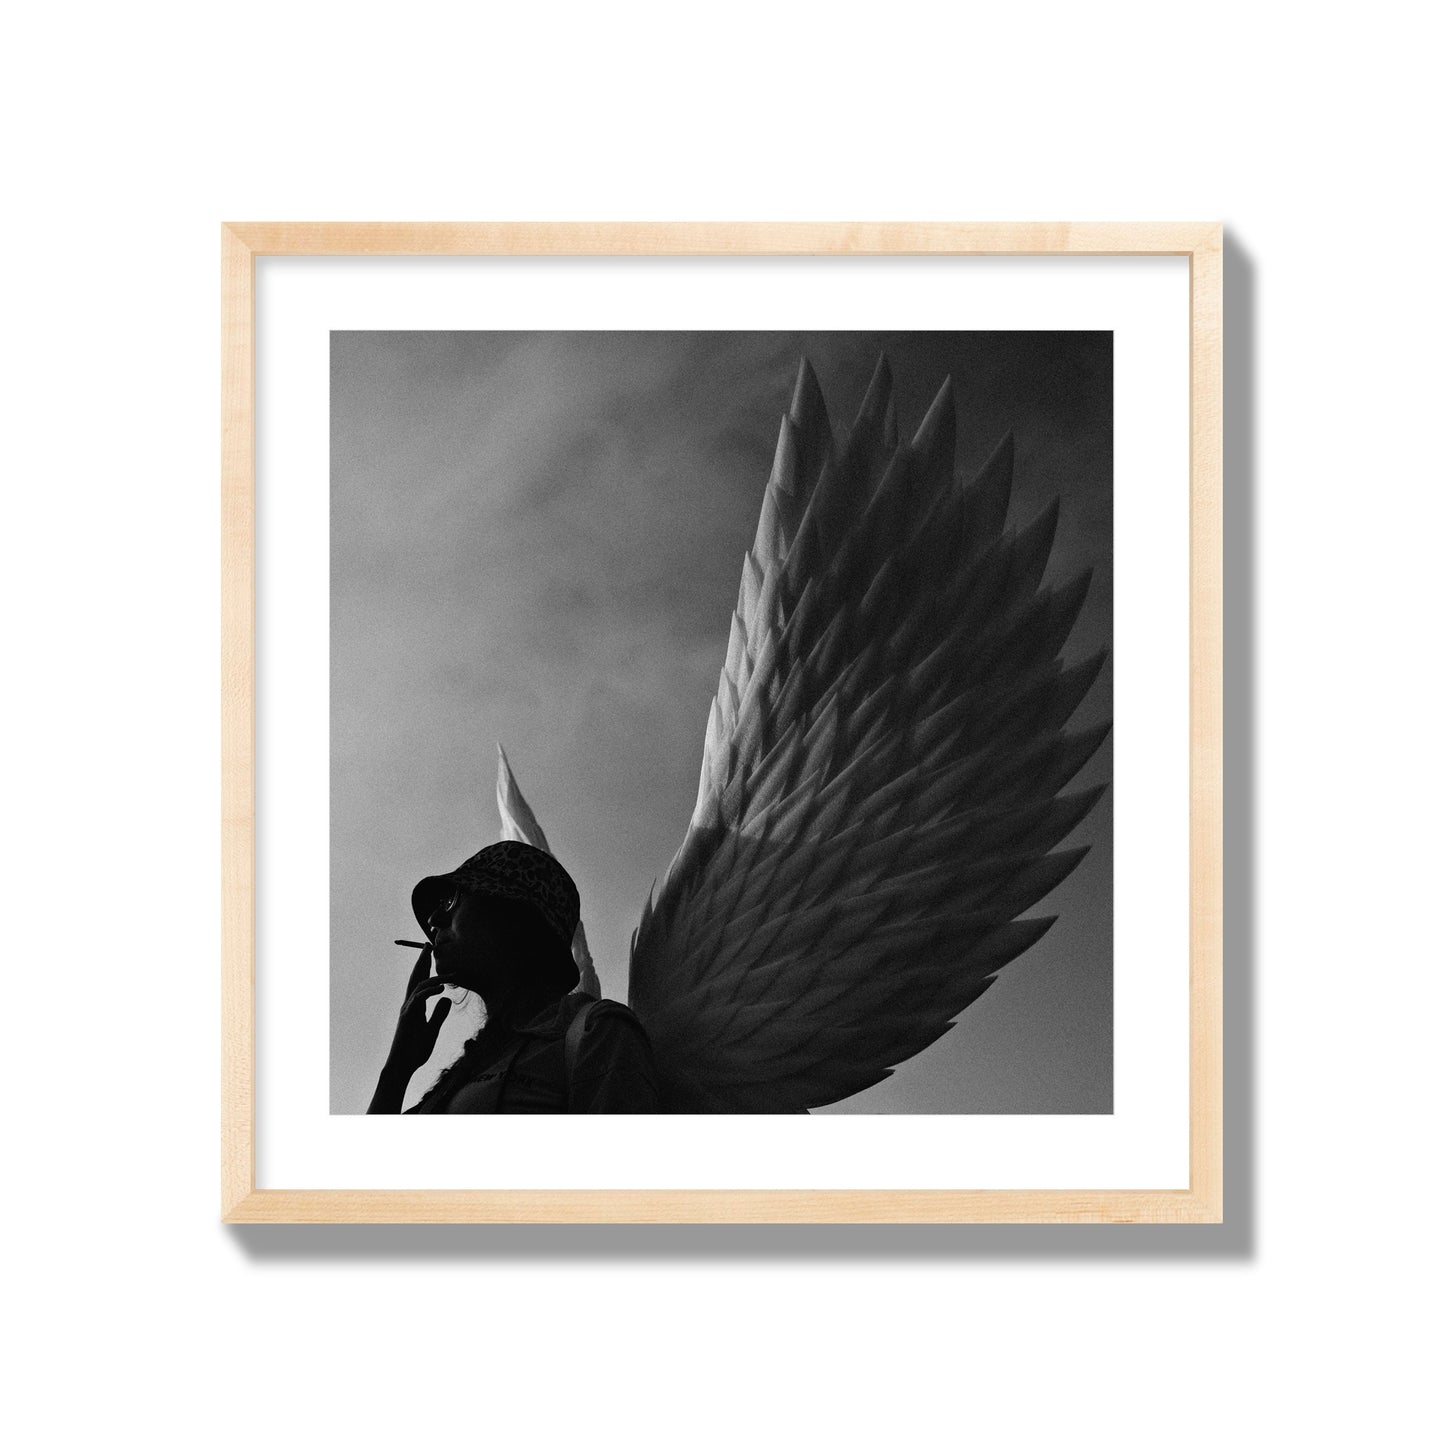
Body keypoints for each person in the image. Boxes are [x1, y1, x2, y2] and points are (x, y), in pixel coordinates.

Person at [367, 840, 661, 1113]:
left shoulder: (597, 1030)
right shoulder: (467, 1068)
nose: (434, 920)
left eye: (451, 901)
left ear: (514, 916)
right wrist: (398, 1068)